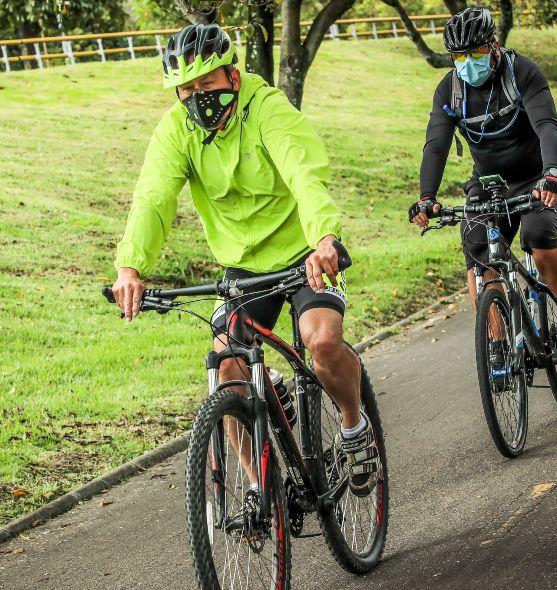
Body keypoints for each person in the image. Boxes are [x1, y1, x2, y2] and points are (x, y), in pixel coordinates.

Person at [111, 23, 379, 496]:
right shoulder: (177, 129)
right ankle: (261, 490)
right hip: (242, 269)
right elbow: (153, 196)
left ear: (231, 76)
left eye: (207, 83)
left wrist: (324, 237)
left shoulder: (267, 108)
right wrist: (130, 267)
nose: (197, 97)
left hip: (303, 255)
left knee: (320, 344)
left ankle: (355, 428)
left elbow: (303, 172)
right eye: (186, 89)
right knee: (225, 369)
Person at [408, 7, 557, 355]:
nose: (468, 61)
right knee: (477, 247)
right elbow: (436, 145)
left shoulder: (521, 72)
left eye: (476, 51)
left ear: (493, 45)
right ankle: (495, 342)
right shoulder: (450, 90)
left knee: (537, 234)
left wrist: (553, 172)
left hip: (539, 175)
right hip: (491, 181)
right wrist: (426, 196)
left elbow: (546, 126)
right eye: (459, 55)